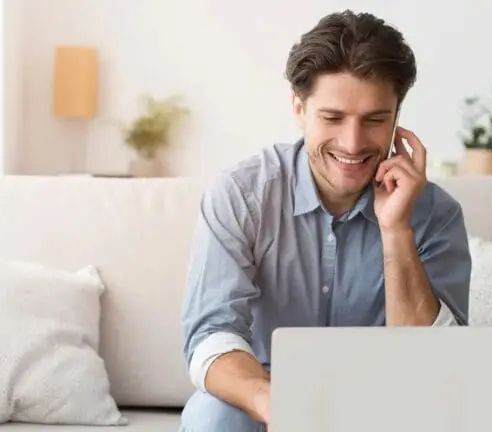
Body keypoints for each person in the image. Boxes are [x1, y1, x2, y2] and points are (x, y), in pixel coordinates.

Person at [178, 9, 471, 432]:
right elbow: (211, 334)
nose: (352, 144)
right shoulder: (242, 194)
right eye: (332, 118)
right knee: (213, 415)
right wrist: (273, 403)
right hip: (266, 399)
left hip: (384, 410)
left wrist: (395, 230)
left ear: (397, 117)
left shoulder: (435, 214)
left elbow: (435, 370)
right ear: (299, 108)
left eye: (374, 120)